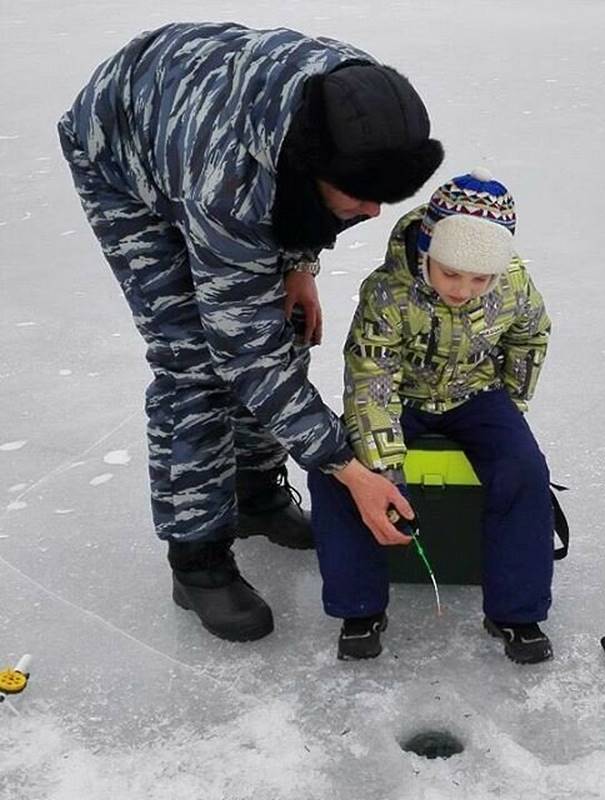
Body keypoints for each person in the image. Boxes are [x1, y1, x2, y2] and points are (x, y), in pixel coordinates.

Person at [57, 22, 443, 642]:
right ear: (309, 166)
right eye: (362, 197)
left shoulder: (358, 98)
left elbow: (298, 206)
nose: (374, 213)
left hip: (199, 120)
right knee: (195, 365)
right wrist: (347, 467)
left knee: (284, 326)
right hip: (121, 148)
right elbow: (245, 353)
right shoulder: (228, 189)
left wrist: (300, 265)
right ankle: (198, 558)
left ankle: (256, 493)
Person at [309, 168, 555, 664]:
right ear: (426, 253)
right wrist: (383, 466)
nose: (464, 289)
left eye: (478, 279)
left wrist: (511, 400)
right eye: (451, 274)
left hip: (477, 394)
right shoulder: (387, 292)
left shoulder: (512, 283)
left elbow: (530, 336)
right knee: (335, 476)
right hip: (399, 397)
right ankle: (360, 606)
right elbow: (369, 376)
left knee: (524, 472)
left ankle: (516, 611)